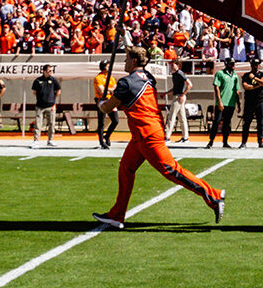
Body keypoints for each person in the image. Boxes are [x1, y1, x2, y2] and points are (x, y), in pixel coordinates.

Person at [92, 48, 225, 230]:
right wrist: (125, 38)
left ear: (133, 61)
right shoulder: (147, 77)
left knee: (171, 171)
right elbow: (138, 62)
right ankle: (117, 214)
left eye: (126, 58)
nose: (124, 62)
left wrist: (99, 102)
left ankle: (213, 196)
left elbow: (107, 108)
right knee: (126, 169)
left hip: (147, 134)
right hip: (143, 133)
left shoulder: (126, 83)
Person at [205, 58, 239, 149]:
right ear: (227, 64)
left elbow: (237, 90)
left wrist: (238, 104)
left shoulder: (235, 75)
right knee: (216, 122)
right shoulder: (220, 73)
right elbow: (217, 88)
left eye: (233, 63)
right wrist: (219, 101)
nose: (233, 65)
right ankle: (211, 141)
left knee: (227, 123)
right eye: (231, 64)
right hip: (222, 102)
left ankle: (225, 142)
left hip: (231, 103)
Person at [238, 57, 263, 149]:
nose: (255, 66)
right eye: (253, 65)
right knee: (246, 122)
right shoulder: (246, 75)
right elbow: (246, 87)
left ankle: (260, 141)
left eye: (257, 64)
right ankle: (244, 142)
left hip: (260, 101)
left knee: (260, 122)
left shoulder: (262, 74)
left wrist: (255, 79)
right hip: (249, 101)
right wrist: (257, 85)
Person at [29, 64, 62, 147]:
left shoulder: (53, 80)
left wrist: (53, 99)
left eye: (51, 70)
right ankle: (36, 140)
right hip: (40, 106)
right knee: (38, 124)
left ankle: (50, 140)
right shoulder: (38, 80)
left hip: (50, 105)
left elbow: (58, 90)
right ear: (44, 71)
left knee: (51, 123)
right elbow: (34, 92)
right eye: (49, 71)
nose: (51, 72)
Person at [93, 60, 119, 149]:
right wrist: (110, 89)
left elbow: (116, 88)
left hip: (110, 99)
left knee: (115, 120)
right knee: (101, 122)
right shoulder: (98, 78)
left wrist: (108, 89)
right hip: (101, 100)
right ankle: (101, 141)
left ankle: (107, 135)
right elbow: (101, 91)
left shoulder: (111, 77)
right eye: (108, 66)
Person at [164, 63, 190, 143]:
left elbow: (189, 84)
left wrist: (182, 95)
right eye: (171, 65)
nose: (172, 67)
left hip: (178, 97)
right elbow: (175, 88)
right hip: (177, 95)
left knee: (171, 116)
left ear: (178, 66)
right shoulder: (174, 75)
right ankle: (185, 137)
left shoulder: (180, 73)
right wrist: (166, 93)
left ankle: (167, 137)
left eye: (173, 65)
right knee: (182, 118)